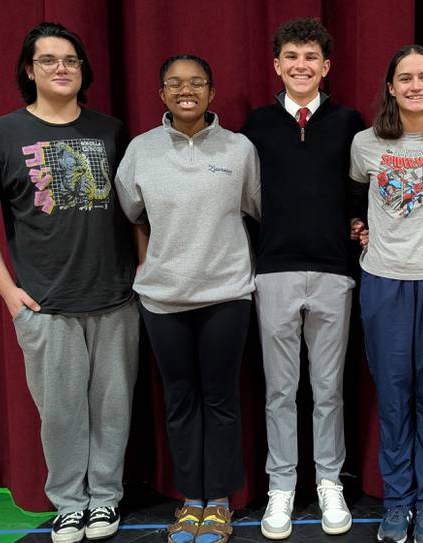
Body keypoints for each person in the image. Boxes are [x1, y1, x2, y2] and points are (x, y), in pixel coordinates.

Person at [0, 22, 138, 543]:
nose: (62, 68)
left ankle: (105, 499)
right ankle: (69, 504)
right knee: (59, 414)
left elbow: (137, 211)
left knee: (113, 409)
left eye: (71, 60)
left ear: (83, 70)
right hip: (44, 305)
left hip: (116, 298)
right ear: (28, 70)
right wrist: (8, 291)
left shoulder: (111, 131)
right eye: (49, 60)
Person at [115, 54, 260, 543]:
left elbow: (255, 206)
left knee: (221, 399)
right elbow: (133, 213)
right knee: (179, 400)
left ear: (211, 92)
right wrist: (148, 263)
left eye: (197, 82)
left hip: (226, 294)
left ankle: (218, 502)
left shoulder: (240, 149)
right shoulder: (141, 150)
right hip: (163, 299)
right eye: (175, 83)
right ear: (161, 94)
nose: (186, 90)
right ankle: (190, 500)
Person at [240, 17, 364, 540]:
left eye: (311, 57)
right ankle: (282, 486)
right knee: (280, 390)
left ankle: (329, 481)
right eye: (291, 56)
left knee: (329, 389)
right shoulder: (256, 126)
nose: (301, 65)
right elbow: (247, 198)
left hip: (335, 272)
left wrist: (357, 226)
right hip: (275, 273)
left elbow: (361, 190)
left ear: (326, 66)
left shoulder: (349, 122)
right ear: (277, 65)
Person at [349, 45, 423, 543]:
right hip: (383, 281)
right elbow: (354, 196)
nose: (415, 85)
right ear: (391, 88)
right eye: (405, 78)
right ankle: (397, 502)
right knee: (394, 397)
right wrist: (359, 226)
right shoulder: (365, 143)